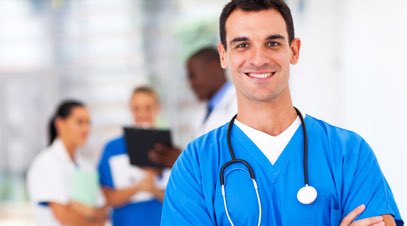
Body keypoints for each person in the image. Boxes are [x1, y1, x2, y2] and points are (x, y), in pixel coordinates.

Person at [161, 0, 403, 226]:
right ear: (224, 55)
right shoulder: (195, 165)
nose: (258, 59)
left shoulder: (348, 152)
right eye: (243, 45)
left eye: (272, 43)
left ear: (294, 50)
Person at [148, 47, 238, 168]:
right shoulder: (202, 113)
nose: (190, 84)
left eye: (193, 76)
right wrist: (182, 157)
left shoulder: (239, 105)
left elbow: (230, 160)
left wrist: (183, 162)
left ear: (214, 69)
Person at [27, 100, 107, 226]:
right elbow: (64, 216)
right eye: (80, 122)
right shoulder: (46, 163)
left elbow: (103, 213)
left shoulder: (87, 166)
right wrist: (90, 214)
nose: (86, 128)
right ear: (60, 124)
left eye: (88, 123)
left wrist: (81, 209)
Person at [98, 86, 169, 226]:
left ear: (157, 109)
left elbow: (179, 199)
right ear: (131, 110)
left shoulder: (169, 151)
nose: (142, 114)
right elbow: (109, 199)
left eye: (148, 108)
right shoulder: (113, 149)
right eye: (137, 108)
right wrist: (138, 187)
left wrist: (153, 190)